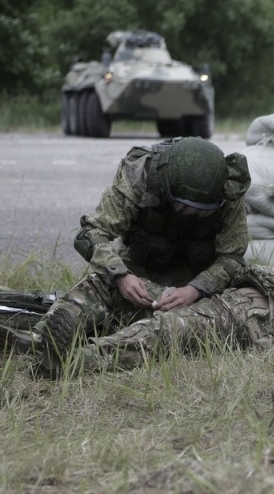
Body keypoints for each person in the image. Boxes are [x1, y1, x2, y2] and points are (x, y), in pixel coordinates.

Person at [3, 136, 251, 376]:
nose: (192, 216)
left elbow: (232, 258)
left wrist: (195, 289)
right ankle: (45, 335)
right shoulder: (140, 176)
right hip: (137, 276)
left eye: (202, 211)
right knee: (99, 286)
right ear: (166, 188)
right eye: (184, 207)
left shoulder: (227, 189)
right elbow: (91, 233)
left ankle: (83, 349)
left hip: (194, 291)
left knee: (177, 325)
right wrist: (121, 275)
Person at [1, 264, 274, 376]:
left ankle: (66, 364)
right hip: (211, 298)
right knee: (115, 290)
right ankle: (33, 340)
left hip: (226, 322)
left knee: (150, 337)